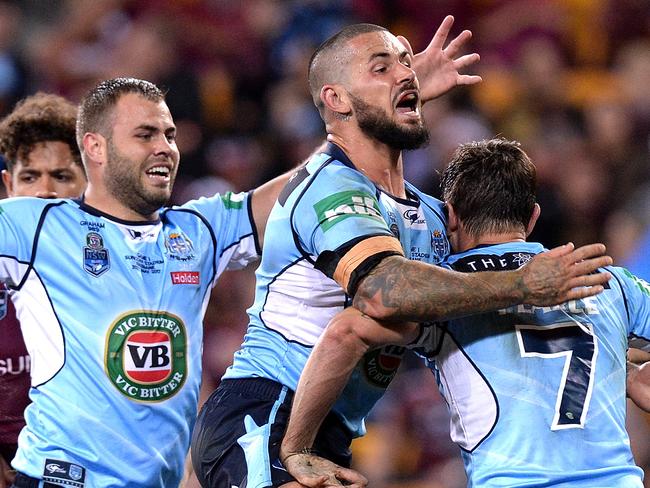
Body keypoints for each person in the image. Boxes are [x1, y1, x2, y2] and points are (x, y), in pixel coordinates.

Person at [190, 22, 612, 488]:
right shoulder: (330, 190)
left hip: (325, 434)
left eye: (407, 62)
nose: (405, 73)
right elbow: (384, 292)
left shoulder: (430, 215)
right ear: (336, 99)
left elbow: (484, 277)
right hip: (266, 416)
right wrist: (525, 283)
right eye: (382, 66)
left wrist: (613, 349)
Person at [279, 138, 650, 487]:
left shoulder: (444, 296)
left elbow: (345, 332)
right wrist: (624, 369)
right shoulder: (608, 282)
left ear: (451, 216)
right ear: (532, 217)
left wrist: (296, 446)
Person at [0, 77, 298, 488]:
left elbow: (298, 193)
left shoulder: (200, 231)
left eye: (169, 134)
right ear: (96, 147)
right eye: (145, 134)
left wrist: (352, 134)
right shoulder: (32, 225)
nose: (164, 146)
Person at [0, 92, 87, 488]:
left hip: (78, 461)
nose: (44, 192)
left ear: (89, 182)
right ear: (8, 184)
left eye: (62, 176)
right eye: (30, 177)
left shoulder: (123, 270)